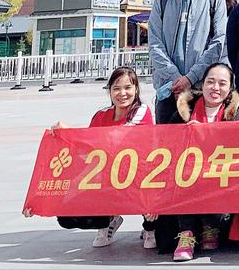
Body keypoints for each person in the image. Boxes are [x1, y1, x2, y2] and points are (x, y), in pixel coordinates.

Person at [46, 65, 156, 250]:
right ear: (109, 91)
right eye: (116, 88)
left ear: (136, 89)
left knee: (153, 228)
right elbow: (88, 148)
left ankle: (149, 227)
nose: (122, 93)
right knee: (66, 216)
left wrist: (71, 131)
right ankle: (108, 219)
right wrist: (63, 136)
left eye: (128, 87)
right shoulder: (100, 116)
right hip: (107, 178)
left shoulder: (141, 111)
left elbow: (117, 138)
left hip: (140, 176)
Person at [172, 62, 239, 261]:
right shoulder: (183, 111)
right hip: (189, 178)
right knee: (184, 176)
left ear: (230, 88)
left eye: (222, 84)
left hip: (222, 178)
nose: (215, 88)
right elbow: (167, 147)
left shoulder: (237, 115)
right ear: (202, 84)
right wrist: (186, 135)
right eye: (210, 82)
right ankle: (187, 234)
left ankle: (211, 225)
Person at [148, 0, 228, 123]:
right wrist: (176, 79)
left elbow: (219, 43)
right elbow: (154, 44)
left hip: (203, 90)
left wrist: (190, 78)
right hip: (169, 90)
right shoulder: (161, 3)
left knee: (203, 138)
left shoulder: (215, 0)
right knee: (167, 138)